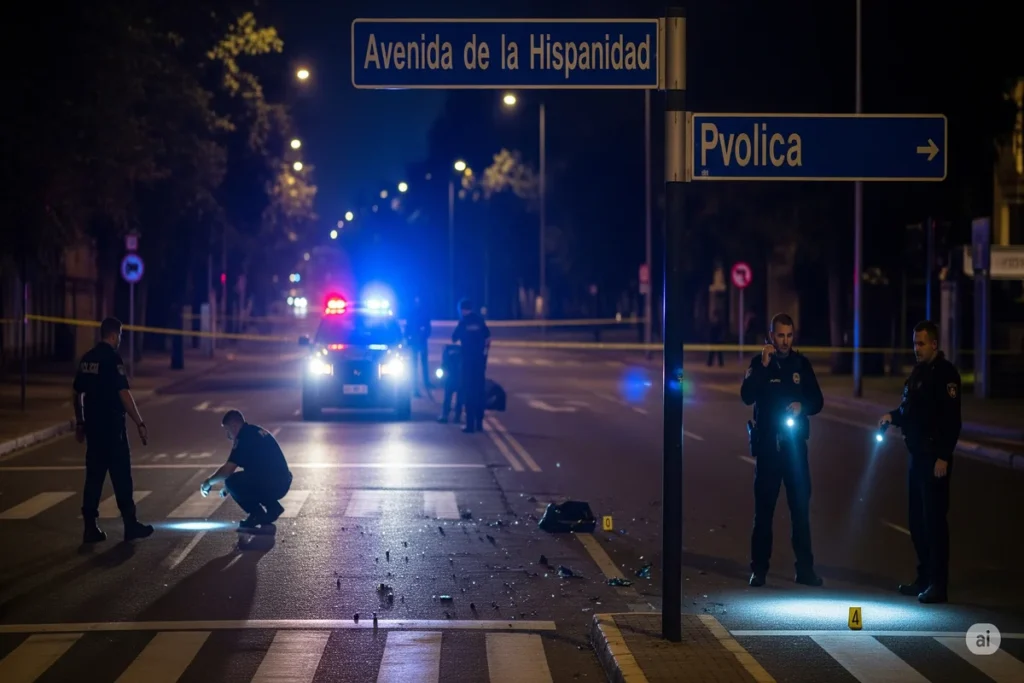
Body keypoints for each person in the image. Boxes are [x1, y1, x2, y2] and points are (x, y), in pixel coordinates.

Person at [878, 320, 961, 604]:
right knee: (917, 521)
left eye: (922, 343)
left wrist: (943, 455)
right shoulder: (917, 373)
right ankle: (924, 576)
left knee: (935, 522)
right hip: (916, 456)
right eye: (915, 343)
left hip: (933, 458)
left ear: (934, 344)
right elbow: (907, 409)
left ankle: (939, 584)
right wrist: (892, 416)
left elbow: (952, 420)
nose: (917, 348)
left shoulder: (946, 375)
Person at [740, 313, 824, 587]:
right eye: (780, 335)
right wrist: (763, 366)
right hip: (768, 450)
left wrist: (803, 407)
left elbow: (817, 400)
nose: (785, 341)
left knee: (800, 511)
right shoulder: (760, 363)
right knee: (763, 514)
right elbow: (746, 396)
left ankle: (805, 570)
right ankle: (759, 570)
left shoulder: (801, 364)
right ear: (771, 336)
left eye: (789, 335)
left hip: (795, 451)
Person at [72, 317, 154, 543]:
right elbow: (123, 394)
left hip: (93, 429)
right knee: (122, 478)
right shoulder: (112, 358)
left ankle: (90, 527)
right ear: (114, 334)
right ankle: (130, 525)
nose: (120, 340)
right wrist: (139, 422)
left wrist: (80, 422)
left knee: (94, 479)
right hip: (112, 429)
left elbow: (77, 392)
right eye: (120, 335)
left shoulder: (87, 359)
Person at [200, 410, 293, 532]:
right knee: (241, 482)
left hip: (273, 483)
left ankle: (256, 514)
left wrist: (208, 483)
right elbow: (254, 470)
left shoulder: (243, 437)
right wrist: (229, 488)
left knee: (232, 482)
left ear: (234, 426)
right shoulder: (254, 431)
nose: (228, 435)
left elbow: (227, 470)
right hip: (282, 480)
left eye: (228, 430)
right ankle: (273, 508)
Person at [452, 299, 490, 433]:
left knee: (468, 392)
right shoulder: (480, 321)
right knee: (479, 392)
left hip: (467, 362)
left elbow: (454, 338)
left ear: (462, 310)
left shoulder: (463, 322)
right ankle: (479, 423)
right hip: (479, 361)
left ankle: (470, 425)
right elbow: (488, 337)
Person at [406, 296, 433, 398]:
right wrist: (408, 339)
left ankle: (426, 382)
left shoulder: (423, 314)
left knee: (423, 363)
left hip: (421, 342)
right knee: (414, 366)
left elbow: (428, 327)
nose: (417, 303)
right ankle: (415, 387)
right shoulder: (412, 314)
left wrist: (425, 335)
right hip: (415, 343)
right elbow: (408, 328)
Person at [437, 343, 464, 424]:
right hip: (456, 377)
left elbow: (443, 366)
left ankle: (447, 415)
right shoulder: (457, 355)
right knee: (456, 396)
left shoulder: (449, 355)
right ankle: (455, 416)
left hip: (453, 377)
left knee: (449, 395)